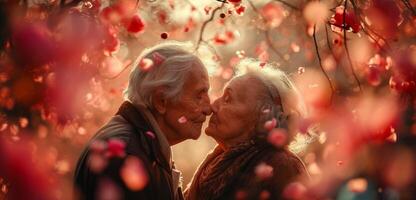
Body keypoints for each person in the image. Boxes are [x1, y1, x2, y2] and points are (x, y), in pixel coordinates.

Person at [74, 41, 211, 200]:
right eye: (199, 96)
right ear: (161, 101)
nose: (208, 109)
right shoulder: (126, 156)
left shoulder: (144, 147)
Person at [185, 58, 309, 200]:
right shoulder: (217, 161)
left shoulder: (283, 167)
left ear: (263, 117)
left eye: (228, 99)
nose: (213, 105)